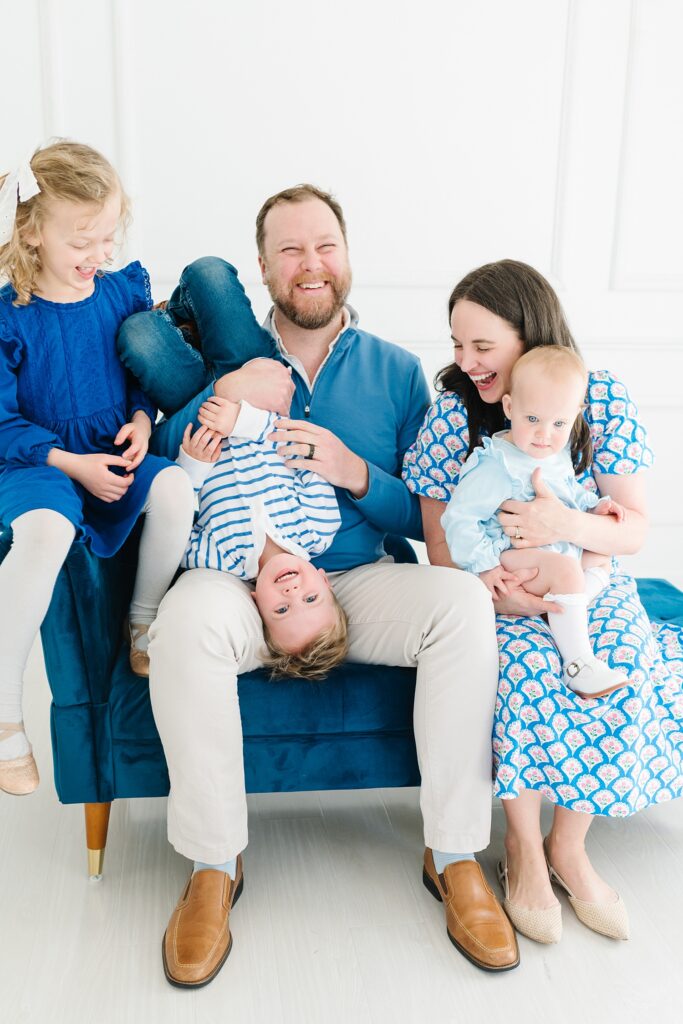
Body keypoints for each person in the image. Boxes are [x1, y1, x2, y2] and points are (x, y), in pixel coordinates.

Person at [117, 185, 519, 986]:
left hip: (359, 578)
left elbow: (426, 513)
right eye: (291, 249)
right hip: (236, 574)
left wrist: (354, 472)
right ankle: (214, 864)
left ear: (346, 255)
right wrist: (227, 395)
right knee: (187, 622)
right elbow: (164, 467)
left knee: (459, 605)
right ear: (264, 266)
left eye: (324, 245)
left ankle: (453, 855)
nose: (311, 264)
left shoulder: (396, 373)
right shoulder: (229, 356)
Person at [403, 259, 683, 946]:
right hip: (495, 590)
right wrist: (502, 593)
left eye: (482, 345)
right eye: (457, 344)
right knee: (526, 672)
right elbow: (441, 544)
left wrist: (564, 527)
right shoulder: (454, 418)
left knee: (623, 656)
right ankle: (523, 849)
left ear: (528, 334)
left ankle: (569, 846)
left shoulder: (596, 395)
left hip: (583, 583)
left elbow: (630, 530)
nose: (465, 361)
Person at [0, 141, 195, 797]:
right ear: (32, 232)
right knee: (48, 530)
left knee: (174, 487)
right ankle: (5, 716)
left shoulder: (118, 293)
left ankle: (144, 620)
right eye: (83, 241)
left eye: (109, 237)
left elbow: (138, 377)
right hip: (38, 460)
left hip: (107, 451)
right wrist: (72, 466)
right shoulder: (9, 316)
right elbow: (2, 422)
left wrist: (140, 420)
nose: (100, 254)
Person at [442, 345, 627, 698]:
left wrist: (597, 506)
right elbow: (459, 518)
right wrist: (484, 566)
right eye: (532, 419)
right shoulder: (498, 464)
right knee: (566, 570)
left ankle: (568, 604)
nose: (544, 434)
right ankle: (578, 663)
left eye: (558, 424)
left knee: (602, 554)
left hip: (554, 551)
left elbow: (570, 493)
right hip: (510, 556)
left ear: (574, 417)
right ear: (509, 407)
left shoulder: (555, 454)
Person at [176, 391, 348, 676]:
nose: (292, 593)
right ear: (324, 580)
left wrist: (192, 468)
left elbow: (172, 526)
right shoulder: (318, 528)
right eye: (310, 599)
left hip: (194, 413)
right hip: (256, 401)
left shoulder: (222, 559)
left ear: (256, 602)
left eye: (281, 610)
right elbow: (306, 448)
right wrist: (243, 420)